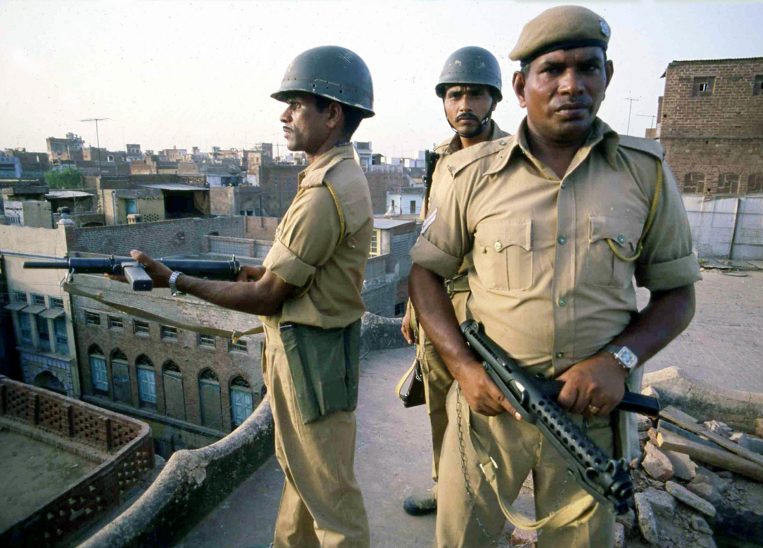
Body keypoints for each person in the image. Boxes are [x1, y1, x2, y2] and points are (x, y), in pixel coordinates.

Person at [408, 5, 700, 546]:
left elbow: (677, 294)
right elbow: (426, 273)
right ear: (521, 87)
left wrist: (619, 361)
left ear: (607, 78)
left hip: (589, 419)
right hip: (489, 411)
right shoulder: (471, 174)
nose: (572, 85)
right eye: (553, 71)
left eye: (589, 68)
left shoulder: (645, 173)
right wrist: (463, 366)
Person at [119, 46, 375, 547]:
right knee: (303, 479)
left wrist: (176, 280)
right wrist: (234, 270)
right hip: (312, 355)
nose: (284, 115)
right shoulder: (335, 176)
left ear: (333, 113)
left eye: (297, 104)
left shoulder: (325, 192)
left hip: (311, 361)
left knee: (333, 506)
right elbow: (287, 273)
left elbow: (268, 295)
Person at [399, 46, 509, 517]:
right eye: (455, 95)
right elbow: (430, 233)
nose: (464, 105)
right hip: (435, 302)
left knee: (481, 411)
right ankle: (446, 490)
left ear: (495, 100)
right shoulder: (440, 159)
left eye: (476, 95)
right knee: (439, 406)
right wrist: (412, 306)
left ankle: (479, 503)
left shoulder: (510, 157)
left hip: (480, 305)